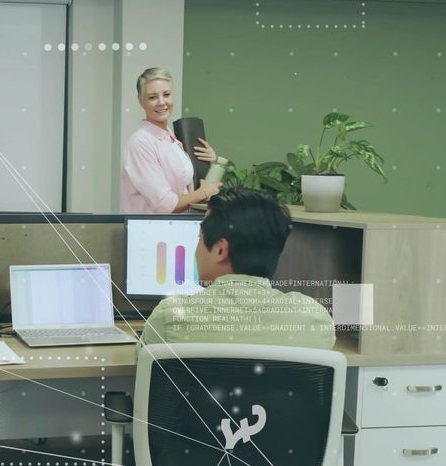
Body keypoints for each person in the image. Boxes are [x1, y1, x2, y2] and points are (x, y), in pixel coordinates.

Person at [141, 188, 335, 349]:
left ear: (220, 250)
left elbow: (143, 366)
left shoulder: (170, 318)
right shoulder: (315, 320)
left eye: (200, 238)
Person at [120, 67, 223, 214]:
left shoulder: (172, 140)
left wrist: (211, 163)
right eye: (152, 97)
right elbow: (164, 204)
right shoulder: (140, 143)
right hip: (150, 233)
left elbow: (188, 191)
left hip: (176, 229)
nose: (162, 102)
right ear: (141, 101)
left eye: (166, 94)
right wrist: (204, 192)